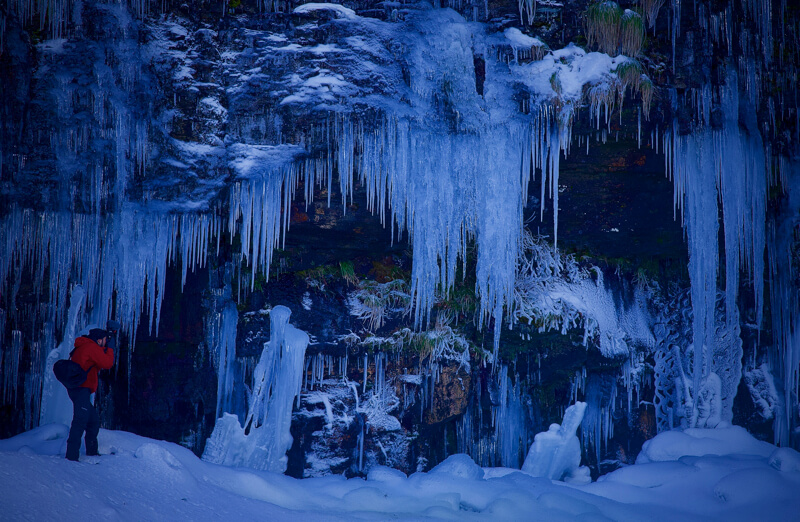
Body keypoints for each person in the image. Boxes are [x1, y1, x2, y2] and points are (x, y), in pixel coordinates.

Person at [65, 328, 115, 462]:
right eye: (104, 341)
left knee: (93, 421)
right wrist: (110, 348)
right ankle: (71, 457)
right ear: (99, 340)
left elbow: (97, 362)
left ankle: (92, 453)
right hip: (81, 390)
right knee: (79, 421)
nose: (105, 343)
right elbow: (107, 363)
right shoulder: (91, 347)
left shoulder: (85, 346)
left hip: (79, 390)